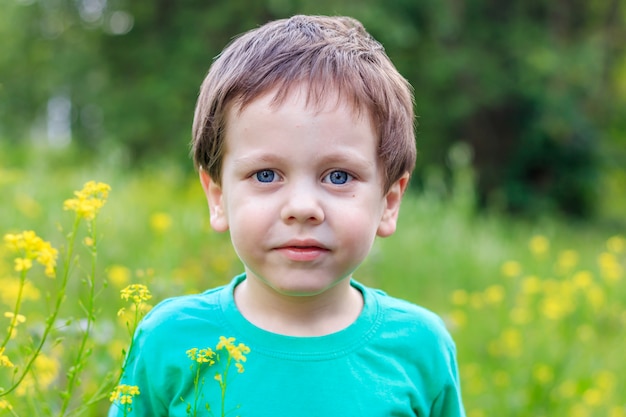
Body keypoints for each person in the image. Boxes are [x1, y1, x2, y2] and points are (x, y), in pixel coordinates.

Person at [110, 15, 465, 417]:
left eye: (338, 176)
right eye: (266, 175)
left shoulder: (420, 348)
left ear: (389, 202)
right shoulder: (169, 341)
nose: (302, 208)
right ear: (217, 196)